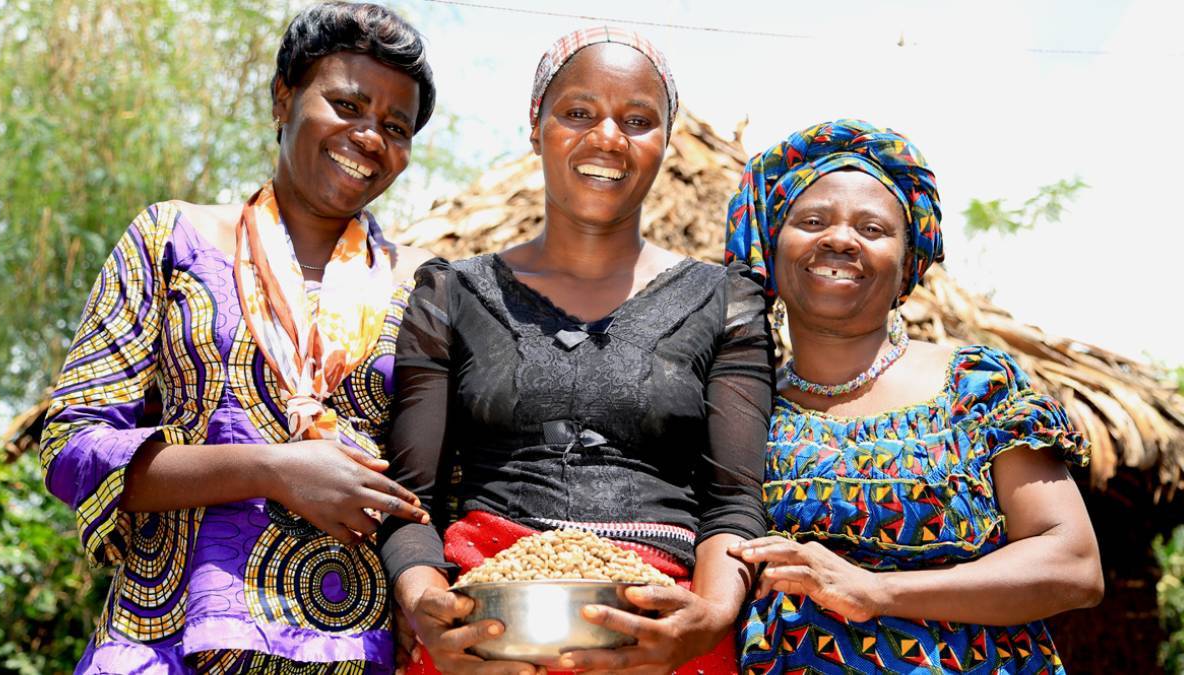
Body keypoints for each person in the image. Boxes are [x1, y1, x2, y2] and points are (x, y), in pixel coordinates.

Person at [39, 3, 437, 671]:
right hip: (167, 639)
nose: (369, 135)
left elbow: (436, 485)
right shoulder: (173, 240)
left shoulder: (423, 284)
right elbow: (72, 444)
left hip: (350, 649)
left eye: (394, 126)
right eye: (346, 104)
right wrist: (273, 469)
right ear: (284, 98)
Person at [379, 27, 774, 675]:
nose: (609, 138)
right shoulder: (451, 292)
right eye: (579, 113)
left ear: (666, 142)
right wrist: (426, 605)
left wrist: (710, 615)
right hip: (489, 627)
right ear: (536, 126)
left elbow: (733, 500)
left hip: (663, 627)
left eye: (638, 119)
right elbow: (410, 499)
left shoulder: (726, 302)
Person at [723, 119, 1104, 674]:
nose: (840, 239)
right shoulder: (744, 407)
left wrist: (877, 591)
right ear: (771, 249)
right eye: (811, 221)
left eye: (872, 228)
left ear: (906, 264)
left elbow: (1073, 564)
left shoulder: (973, 388)